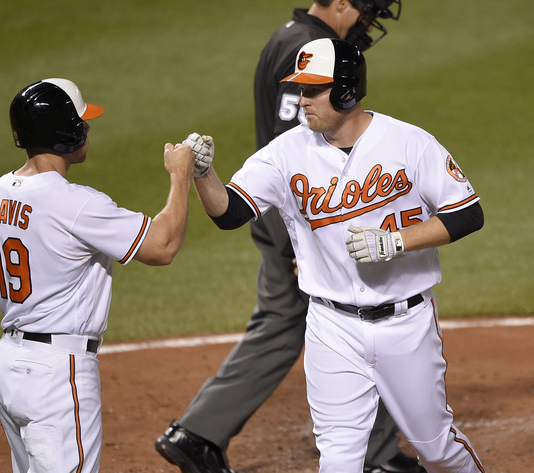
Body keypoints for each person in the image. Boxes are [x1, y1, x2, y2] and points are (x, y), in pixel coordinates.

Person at [186, 38, 486, 473]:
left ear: (346, 90)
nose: (301, 99)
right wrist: (203, 174)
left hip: (407, 326)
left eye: (312, 90)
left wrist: (397, 241)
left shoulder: (410, 143)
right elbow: (230, 212)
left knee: (437, 449)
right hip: (331, 327)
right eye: (301, 89)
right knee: (339, 459)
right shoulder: (286, 153)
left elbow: (468, 214)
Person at [155, 1, 424, 472]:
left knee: (291, 319)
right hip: (301, 216)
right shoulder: (311, 48)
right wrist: (303, 241)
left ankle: (199, 431)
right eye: (366, 8)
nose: (370, 19)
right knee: (356, 312)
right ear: (340, 3)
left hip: (288, 210)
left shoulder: (290, 35)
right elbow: (299, 146)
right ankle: (376, 456)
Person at [0, 78, 195, 473]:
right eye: (81, 122)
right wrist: (180, 177)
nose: (88, 128)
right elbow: (162, 245)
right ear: (66, 133)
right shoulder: (75, 203)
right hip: (57, 374)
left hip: (7, 368)